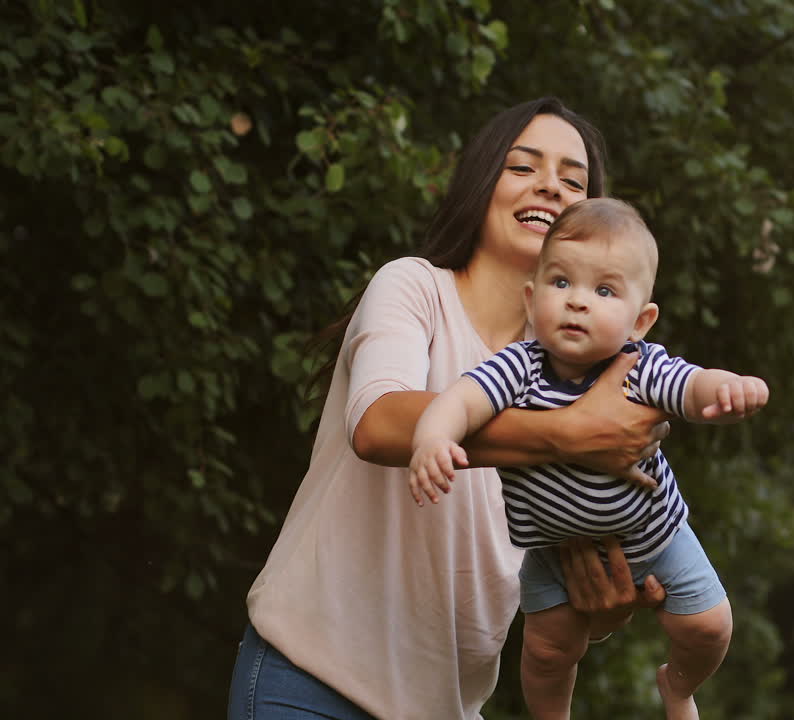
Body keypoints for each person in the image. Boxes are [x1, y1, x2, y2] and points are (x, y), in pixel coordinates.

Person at [227, 98, 671, 720]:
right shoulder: (413, 288)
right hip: (310, 680)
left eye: (573, 180)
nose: (550, 184)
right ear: (481, 183)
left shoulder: (581, 385)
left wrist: (596, 607)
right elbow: (379, 424)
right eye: (524, 167)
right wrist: (565, 434)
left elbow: (547, 569)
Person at [408, 198, 770, 720]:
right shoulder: (519, 368)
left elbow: (691, 386)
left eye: (603, 290)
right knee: (547, 654)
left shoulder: (636, 367)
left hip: (655, 535)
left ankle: (679, 687)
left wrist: (728, 391)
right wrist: (433, 439)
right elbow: (462, 400)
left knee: (709, 627)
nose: (577, 302)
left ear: (640, 320)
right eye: (561, 283)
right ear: (531, 301)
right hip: (554, 551)